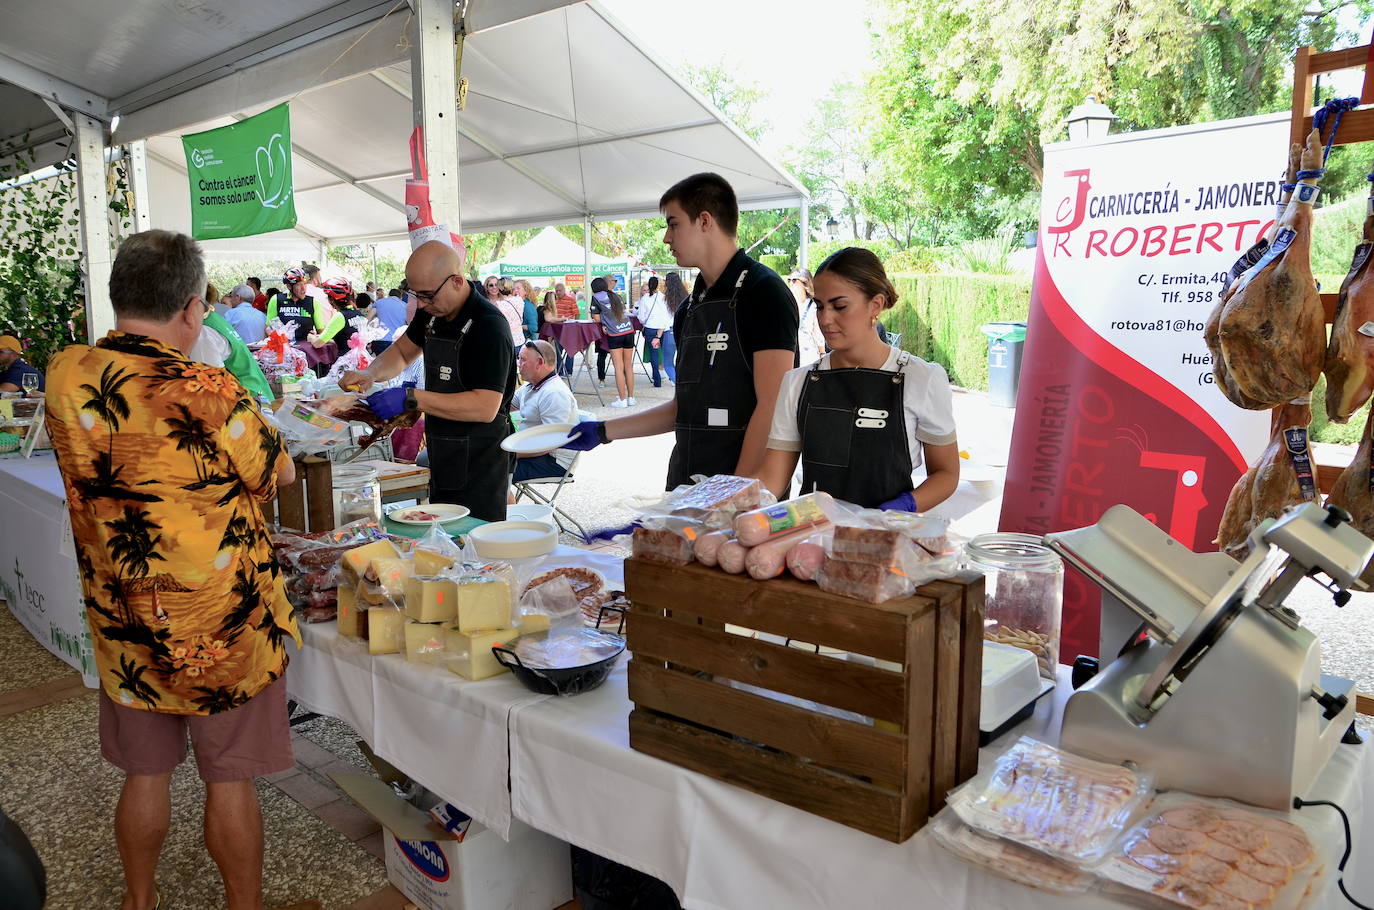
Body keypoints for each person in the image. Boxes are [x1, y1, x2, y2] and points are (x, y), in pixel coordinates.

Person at [43, 229, 312, 910]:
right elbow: (277, 471)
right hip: (220, 624)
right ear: (193, 310)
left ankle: (139, 901)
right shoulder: (207, 390)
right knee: (230, 780)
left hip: (124, 616)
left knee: (146, 772)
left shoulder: (66, 373)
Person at [564, 173, 798, 488]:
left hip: (743, 490)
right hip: (686, 480)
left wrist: (733, 492)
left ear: (704, 221)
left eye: (673, 224)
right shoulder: (689, 308)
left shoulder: (763, 291)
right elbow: (682, 408)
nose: (666, 238)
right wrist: (603, 431)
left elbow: (773, 405)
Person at [755, 247, 960, 511]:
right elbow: (773, 477)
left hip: (886, 538)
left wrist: (905, 505)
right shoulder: (798, 382)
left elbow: (946, 474)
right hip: (812, 539)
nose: (825, 319)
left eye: (840, 306)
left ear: (875, 305)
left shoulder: (922, 378)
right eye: (819, 306)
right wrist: (727, 502)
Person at [340, 241, 517, 521]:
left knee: (473, 544)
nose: (421, 304)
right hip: (443, 447)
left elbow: (485, 406)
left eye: (427, 296)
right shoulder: (433, 311)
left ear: (457, 281)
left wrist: (411, 398)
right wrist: (369, 374)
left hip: (481, 457)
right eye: (416, 295)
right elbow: (402, 351)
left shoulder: (488, 325)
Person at [511, 340, 579, 483]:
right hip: (536, 451)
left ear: (539, 362)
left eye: (522, 359)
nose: (518, 364)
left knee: (491, 471)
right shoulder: (533, 385)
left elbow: (549, 444)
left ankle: (508, 505)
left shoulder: (554, 393)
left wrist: (510, 453)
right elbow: (505, 406)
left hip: (554, 461)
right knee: (486, 463)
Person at [589, 276, 637, 408]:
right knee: (628, 365)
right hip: (628, 330)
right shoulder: (615, 295)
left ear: (594, 289)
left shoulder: (596, 297)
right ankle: (631, 398)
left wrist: (602, 322)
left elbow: (597, 318)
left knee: (618, 367)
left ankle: (622, 400)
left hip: (615, 333)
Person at [266, 268, 329, 343]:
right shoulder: (276, 300)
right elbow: (268, 327)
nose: (303, 289)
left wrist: (315, 337)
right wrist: (279, 340)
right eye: (299, 285)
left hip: (306, 349)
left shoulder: (313, 302)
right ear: (289, 286)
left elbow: (321, 331)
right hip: (283, 347)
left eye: (304, 284)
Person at [635, 275, 674, 387]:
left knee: (654, 354)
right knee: (666, 353)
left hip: (651, 329)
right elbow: (667, 314)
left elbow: (641, 316)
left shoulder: (645, 298)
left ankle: (657, 381)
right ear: (658, 285)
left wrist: (645, 322)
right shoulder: (663, 297)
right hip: (663, 329)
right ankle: (671, 377)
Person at [788, 267, 825, 366]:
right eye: (789, 280)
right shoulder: (787, 305)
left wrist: (822, 355)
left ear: (805, 282)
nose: (791, 283)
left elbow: (818, 334)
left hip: (809, 356)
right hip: (792, 355)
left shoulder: (813, 306)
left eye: (794, 280)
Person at [491, 278, 526, 354]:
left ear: (499, 289)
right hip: (520, 340)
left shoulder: (498, 305)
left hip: (507, 341)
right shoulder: (519, 300)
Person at [372, 287, 408, 356]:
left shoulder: (379, 302)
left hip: (380, 340)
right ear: (400, 297)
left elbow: (368, 319)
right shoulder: (405, 306)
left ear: (389, 295)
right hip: (397, 341)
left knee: (380, 364)